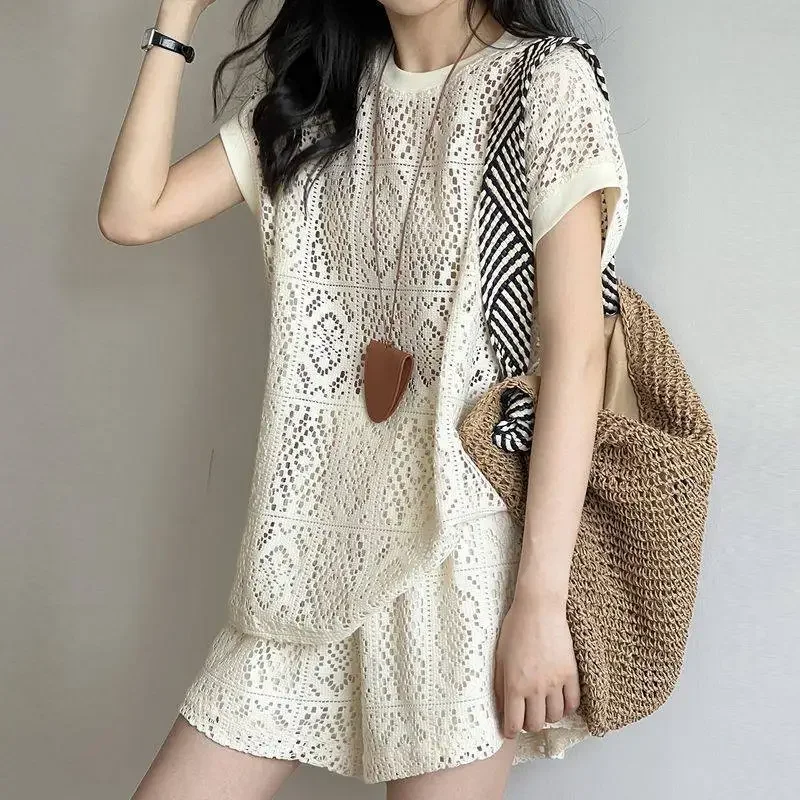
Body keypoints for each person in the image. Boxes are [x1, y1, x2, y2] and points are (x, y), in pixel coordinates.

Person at [98, 0, 629, 797]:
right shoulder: (319, 96)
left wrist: (541, 601)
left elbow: (576, 355)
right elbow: (130, 213)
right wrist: (177, 15)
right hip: (301, 555)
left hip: (456, 567)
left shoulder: (544, 84)